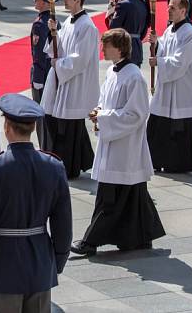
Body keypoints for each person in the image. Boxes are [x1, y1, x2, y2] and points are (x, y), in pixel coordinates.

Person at [0, 94, 72, 313]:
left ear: (7, 126)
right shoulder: (54, 166)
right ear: (33, 127)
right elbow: (63, 224)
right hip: (40, 263)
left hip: (4, 265)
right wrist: (57, 261)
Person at [70, 29, 164, 257]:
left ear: (120, 48)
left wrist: (104, 117)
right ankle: (140, 236)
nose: (102, 50)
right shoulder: (113, 71)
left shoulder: (134, 77)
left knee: (110, 197)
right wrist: (98, 111)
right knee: (133, 194)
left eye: (106, 46)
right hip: (113, 143)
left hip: (126, 148)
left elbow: (137, 114)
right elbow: (106, 101)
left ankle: (91, 241)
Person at [41, 0, 99, 179]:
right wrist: (52, 33)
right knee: (62, 124)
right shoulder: (68, 22)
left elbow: (80, 59)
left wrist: (60, 64)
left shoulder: (88, 27)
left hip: (75, 82)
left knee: (70, 127)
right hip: (63, 77)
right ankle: (79, 160)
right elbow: (56, 49)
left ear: (78, 1)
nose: (64, 1)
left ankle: (71, 167)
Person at [146, 0, 192, 173]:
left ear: (183, 11)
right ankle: (156, 159)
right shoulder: (170, 29)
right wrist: (156, 44)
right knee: (159, 124)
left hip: (181, 89)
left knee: (178, 127)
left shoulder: (190, 34)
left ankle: (177, 164)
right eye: (168, 7)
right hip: (167, 88)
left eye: (173, 8)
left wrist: (159, 62)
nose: (168, 10)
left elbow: (180, 62)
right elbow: (164, 49)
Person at [31, 0, 58, 149]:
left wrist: (37, 77)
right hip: (52, 71)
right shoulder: (54, 20)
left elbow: (38, 53)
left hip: (42, 73)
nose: (35, 0)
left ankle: (45, 148)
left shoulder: (40, 24)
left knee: (41, 115)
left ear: (46, 2)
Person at [106, 0, 149, 67]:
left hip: (124, 49)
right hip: (137, 48)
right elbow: (144, 29)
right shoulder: (142, 4)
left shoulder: (123, 4)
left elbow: (113, 28)